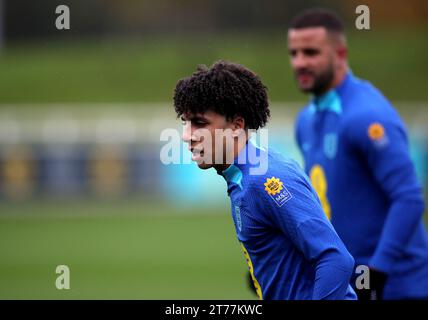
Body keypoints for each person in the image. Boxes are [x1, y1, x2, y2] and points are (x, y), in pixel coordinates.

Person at [173, 60, 357, 300]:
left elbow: (335, 259)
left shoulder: (267, 179)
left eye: (199, 123)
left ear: (237, 126)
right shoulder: (241, 175)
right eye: (185, 123)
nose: (187, 136)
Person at [288, 8, 428, 300]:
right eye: (294, 53)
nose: (300, 62)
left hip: (399, 286)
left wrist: (377, 271)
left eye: (311, 52)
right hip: (346, 285)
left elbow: (408, 198)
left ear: (340, 54)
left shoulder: (367, 116)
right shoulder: (306, 120)